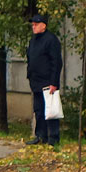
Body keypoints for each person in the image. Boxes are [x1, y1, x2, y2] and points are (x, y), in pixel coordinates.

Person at [26, 13, 62, 146]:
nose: (33, 27)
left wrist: (54, 82)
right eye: (33, 25)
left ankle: (53, 137)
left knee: (50, 110)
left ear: (43, 25)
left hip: (48, 81)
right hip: (35, 80)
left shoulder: (51, 40)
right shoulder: (33, 40)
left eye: (36, 24)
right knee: (39, 109)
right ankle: (40, 135)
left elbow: (56, 62)